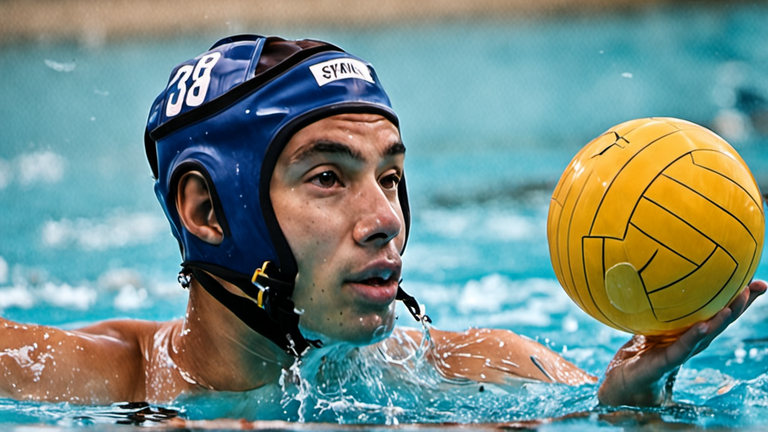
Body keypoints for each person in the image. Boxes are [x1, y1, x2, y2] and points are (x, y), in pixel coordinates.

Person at [0, 34, 764, 412]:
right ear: (206, 211)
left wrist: (632, 407)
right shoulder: (73, 381)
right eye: (328, 177)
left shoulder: (487, 369)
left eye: (392, 177)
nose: (385, 221)